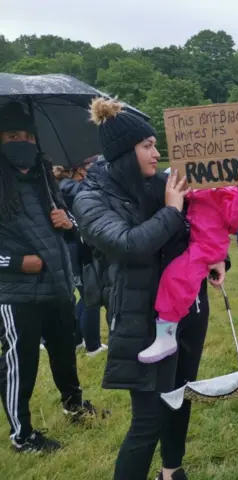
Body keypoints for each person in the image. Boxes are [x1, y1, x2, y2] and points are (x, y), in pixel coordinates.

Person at [74, 98, 225, 480]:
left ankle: (172, 471)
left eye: (156, 144)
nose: (157, 153)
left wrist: (217, 258)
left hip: (188, 310)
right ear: (125, 152)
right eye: (148, 146)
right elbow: (129, 244)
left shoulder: (161, 183)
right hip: (142, 320)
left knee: (179, 399)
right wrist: (171, 211)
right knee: (148, 419)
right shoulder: (91, 198)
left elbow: (200, 230)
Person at [0, 101, 98, 453]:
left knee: (63, 352)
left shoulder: (43, 176)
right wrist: (13, 261)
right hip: (15, 292)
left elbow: (69, 223)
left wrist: (68, 223)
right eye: (12, 135)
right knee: (20, 361)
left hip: (57, 283)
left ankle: (74, 405)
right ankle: (22, 436)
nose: (21, 142)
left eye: (27, 135)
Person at [139, 174, 238, 363]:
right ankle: (166, 334)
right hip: (201, 246)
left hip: (207, 248)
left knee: (176, 278)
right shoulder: (202, 189)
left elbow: (236, 218)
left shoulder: (226, 193)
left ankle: (166, 335)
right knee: (177, 280)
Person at [53, 157, 107, 356]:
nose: (94, 167)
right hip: (77, 248)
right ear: (77, 169)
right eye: (90, 164)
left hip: (71, 248)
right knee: (90, 296)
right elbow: (76, 224)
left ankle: (76, 339)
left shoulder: (61, 186)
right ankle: (92, 345)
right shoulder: (71, 190)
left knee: (84, 295)